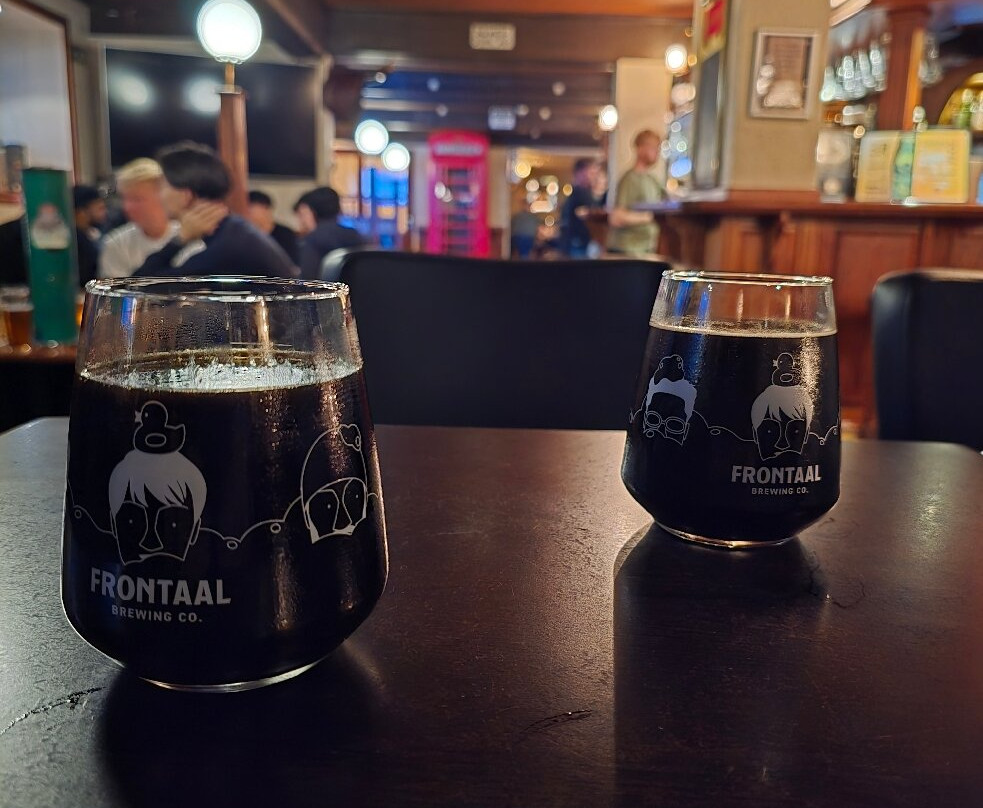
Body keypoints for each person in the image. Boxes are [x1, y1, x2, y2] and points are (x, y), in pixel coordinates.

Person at [133, 142, 297, 278]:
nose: (158, 196)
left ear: (185, 195)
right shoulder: (233, 230)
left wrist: (178, 240)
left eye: (161, 186)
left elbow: (142, 286)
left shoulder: (227, 247)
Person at [99, 159, 180, 279]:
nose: (127, 207)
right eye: (124, 198)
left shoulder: (190, 239)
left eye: (137, 199)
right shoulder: (116, 243)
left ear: (162, 197)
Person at [607, 130, 666, 257]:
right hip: (626, 251)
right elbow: (616, 218)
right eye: (653, 147)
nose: (657, 152)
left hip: (647, 249)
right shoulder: (629, 179)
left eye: (658, 148)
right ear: (640, 148)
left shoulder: (653, 180)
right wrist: (649, 217)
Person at [293, 187, 363, 280]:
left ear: (313, 212)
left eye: (303, 214)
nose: (302, 221)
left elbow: (308, 280)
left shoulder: (313, 239)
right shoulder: (355, 235)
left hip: (327, 289)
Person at [559, 157, 601, 258]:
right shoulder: (581, 194)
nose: (594, 176)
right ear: (580, 173)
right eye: (591, 172)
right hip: (579, 245)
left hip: (574, 244)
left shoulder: (577, 194)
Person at [247, 190, 300, 266]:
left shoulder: (286, 234)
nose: (247, 213)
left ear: (265, 208)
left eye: (251, 208)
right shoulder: (247, 234)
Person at [73, 185, 108, 287]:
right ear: (81, 212)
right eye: (100, 208)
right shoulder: (77, 242)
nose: (105, 212)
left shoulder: (93, 233)